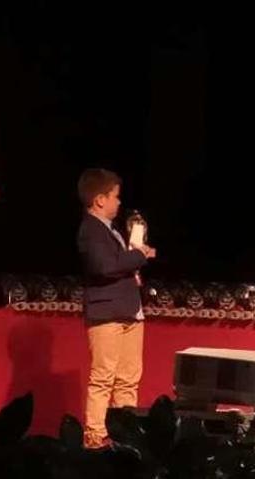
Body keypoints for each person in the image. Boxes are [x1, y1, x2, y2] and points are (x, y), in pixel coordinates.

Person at [76, 168, 155, 450]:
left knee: (128, 380)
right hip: (106, 314)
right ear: (100, 200)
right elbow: (104, 267)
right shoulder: (90, 230)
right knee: (103, 378)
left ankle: (126, 436)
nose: (119, 202)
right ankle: (95, 438)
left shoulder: (110, 231)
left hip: (129, 311)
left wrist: (136, 254)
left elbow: (118, 264)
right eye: (115, 197)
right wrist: (137, 256)